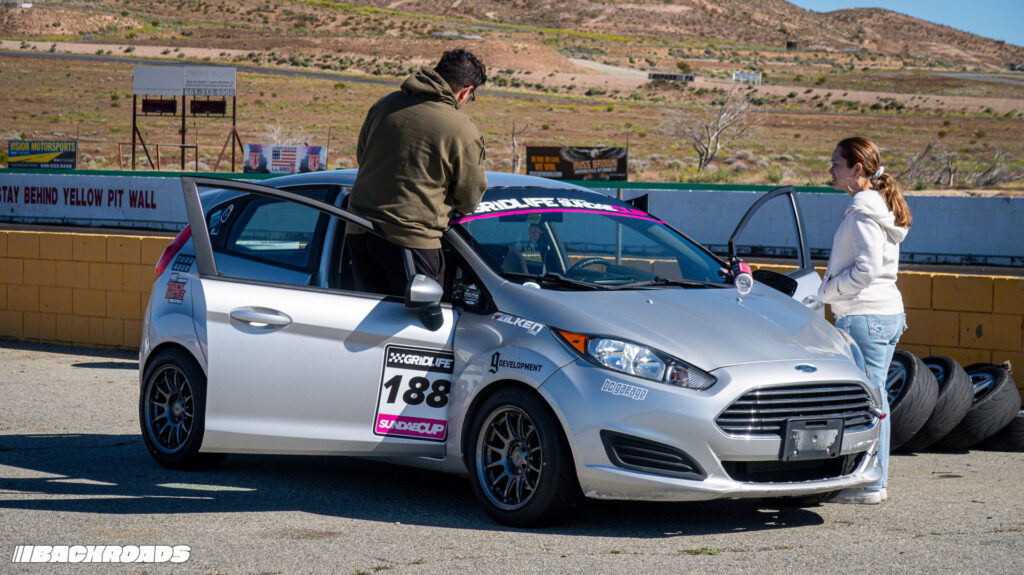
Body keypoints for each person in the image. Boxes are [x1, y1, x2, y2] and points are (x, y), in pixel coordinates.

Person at [347, 49, 488, 296]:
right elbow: (468, 200)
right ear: (465, 92)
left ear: (436, 72)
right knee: (419, 318)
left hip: (360, 231)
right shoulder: (461, 129)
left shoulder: (385, 105)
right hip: (411, 241)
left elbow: (363, 158)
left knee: (373, 315)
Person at [819, 136, 912, 505]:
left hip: (864, 316)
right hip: (887, 313)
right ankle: (873, 480)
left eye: (836, 164)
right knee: (877, 399)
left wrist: (829, 291)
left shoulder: (861, 210)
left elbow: (867, 269)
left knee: (869, 402)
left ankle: (870, 484)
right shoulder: (881, 207)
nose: (831, 169)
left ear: (857, 168)